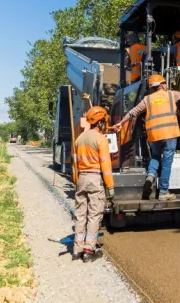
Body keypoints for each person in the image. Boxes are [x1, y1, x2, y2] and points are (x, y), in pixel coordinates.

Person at [114, 74, 180, 200]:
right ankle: (163, 192)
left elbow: (133, 112)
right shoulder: (171, 95)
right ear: (162, 85)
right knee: (167, 163)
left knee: (155, 157)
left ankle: (150, 175)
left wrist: (121, 123)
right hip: (170, 133)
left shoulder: (147, 100)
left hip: (155, 135)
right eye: (164, 83)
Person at [73, 106, 115, 262]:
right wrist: (110, 186)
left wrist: (76, 180)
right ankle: (89, 250)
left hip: (81, 179)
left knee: (80, 215)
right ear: (100, 122)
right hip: (94, 179)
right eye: (104, 121)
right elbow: (106, 165)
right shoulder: (100, 139)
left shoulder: (79, 139)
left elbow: (74, 165)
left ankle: (77, 249)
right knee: (94, 215)